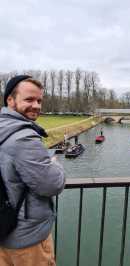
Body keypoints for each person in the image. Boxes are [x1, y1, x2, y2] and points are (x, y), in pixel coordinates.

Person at [0, 75, 65, 266]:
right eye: (29, 99)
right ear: (10, 100)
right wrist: (54, 164)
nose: (36, 105)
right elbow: (52, 184)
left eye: (39, 100)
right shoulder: (23, 138)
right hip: (26, 241)